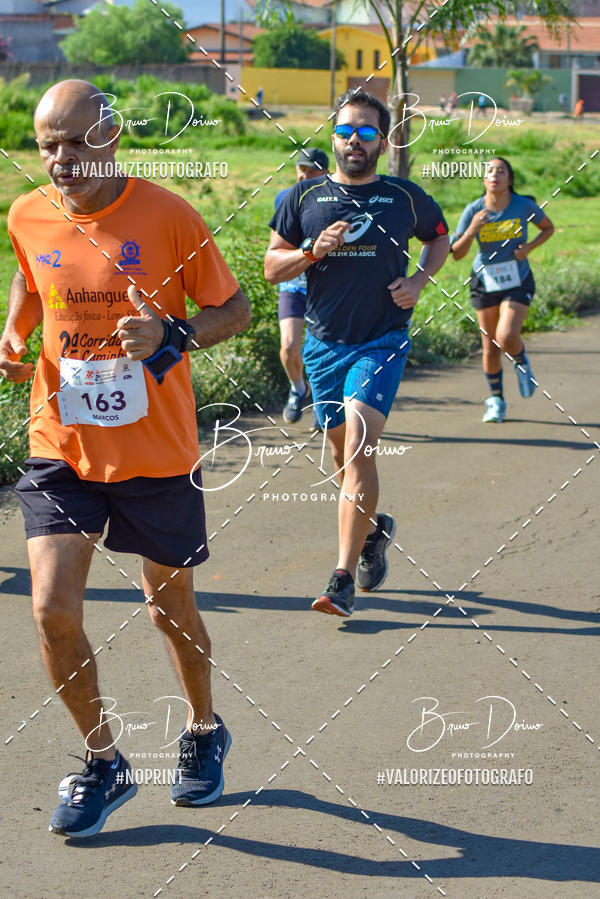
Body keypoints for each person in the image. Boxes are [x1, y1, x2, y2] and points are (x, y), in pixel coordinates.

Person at [0, 79, 251, 837]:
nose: (62, 159)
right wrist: (15, 334)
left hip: (156, 450)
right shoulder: (27, 212)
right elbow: (31, 275)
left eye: (77, 142)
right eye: (48, 146)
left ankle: (203, 728)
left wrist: (174, 336)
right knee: (52, 610)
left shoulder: (169, 215)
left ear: (111, 137)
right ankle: (104, 762)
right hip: (61, 443)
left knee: (168, 608)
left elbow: (234, 308)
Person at [265, 88, 449, 617]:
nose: (354, 140)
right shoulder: (302, 199)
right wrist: (311, 250)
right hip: (324, 346)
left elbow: (438, 239)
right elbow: (272, 267)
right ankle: (373, 533)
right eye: (345, 131)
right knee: (342, 461)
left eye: (366, 132)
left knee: (360, 449)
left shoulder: (405, 197)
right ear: (333, 137)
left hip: (382, 340)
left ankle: (341, 579)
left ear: (383, 142)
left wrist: (419, 281)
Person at [450, 157, 554, 422]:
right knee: (490, 346)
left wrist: (529, 248)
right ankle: (496, 401)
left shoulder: (523, 206)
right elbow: (457, 253)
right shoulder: (474, 210)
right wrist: (472, 230)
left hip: (517, 279)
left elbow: (547, 228)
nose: (495, 175)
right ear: (484, 180)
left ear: (510, 179)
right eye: (490, 171)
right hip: (484, 281)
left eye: (501, 171)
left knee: (506, 336)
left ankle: (520, 361)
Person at [274, 146, 329, 425]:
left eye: (311, 171)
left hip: (327, 285)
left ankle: (324, 403)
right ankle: (298, 389)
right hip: (294, 284)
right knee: (288, 346)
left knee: (322, 351)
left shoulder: (337, 200)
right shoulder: (284, 199)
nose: (303, 176)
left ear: (326, 173)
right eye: (300, 169)